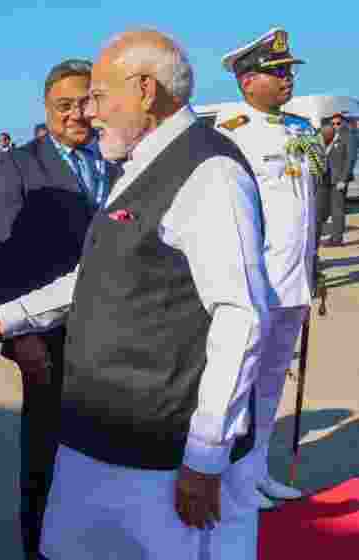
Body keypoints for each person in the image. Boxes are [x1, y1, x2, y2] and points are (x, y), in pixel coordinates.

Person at [4, 30, 270, 560]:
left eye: (99, 96)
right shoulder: (141, 163)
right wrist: (4, 318)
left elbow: (241, 317)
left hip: (164, 461)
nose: (90, 112)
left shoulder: (208, 171)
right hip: (101, 442)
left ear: (146, 90)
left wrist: (207, 454)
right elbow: (95, 277)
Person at [0, 58, 118, 560]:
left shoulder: (119, 158)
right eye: (63, 105)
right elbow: (2, 253)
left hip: (113, 338)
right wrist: (19, 336)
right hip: (49, 337)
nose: (75, 114)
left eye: (84, 102)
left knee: (105, 448)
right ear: (46, 108)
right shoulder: (21, 164)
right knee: (46, 454)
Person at [215, 28, 324, 510]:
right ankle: (233, 480)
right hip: (254, 284)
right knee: (240, 383)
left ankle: (256, 470)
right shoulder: (230, 134)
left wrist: (312, 268)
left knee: (274, 380)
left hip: (293, 279)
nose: (287, 80)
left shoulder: (302, 130)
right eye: (277, 72)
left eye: (289, 72)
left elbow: (307, 209)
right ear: (246, 81)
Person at [322, 113, 355, 246]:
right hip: (326, 179)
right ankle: (333, 236)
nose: (335, 126)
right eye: (333, 123)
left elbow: (350, 159)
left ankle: (336, 239)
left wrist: (344, 179)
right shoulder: (327, 136)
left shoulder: (348, 136)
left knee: (337, 210)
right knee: (326, 209)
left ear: (343, 123)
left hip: (339, 180)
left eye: (338, 123)